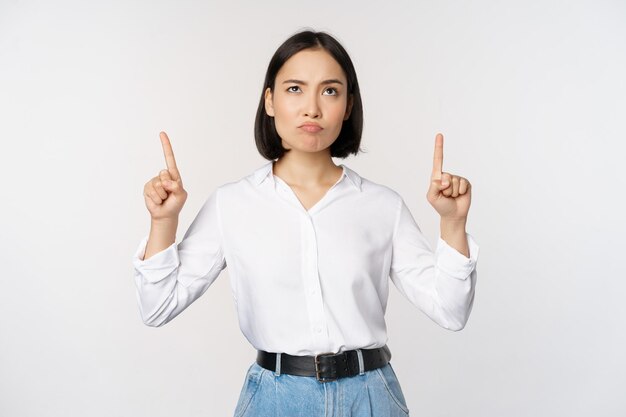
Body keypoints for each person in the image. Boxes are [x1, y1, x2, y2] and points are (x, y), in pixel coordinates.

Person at [132, 29, 479, 417]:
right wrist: (164, 222)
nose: (312, 107)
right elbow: (157, 307)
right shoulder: (232, 204)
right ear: (270, 101)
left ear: (348, 105)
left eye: (330, 91)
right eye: (295, 89)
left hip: (371, 399)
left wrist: (452, 223)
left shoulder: (382, 206)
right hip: (275, 400)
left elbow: (451, 312)